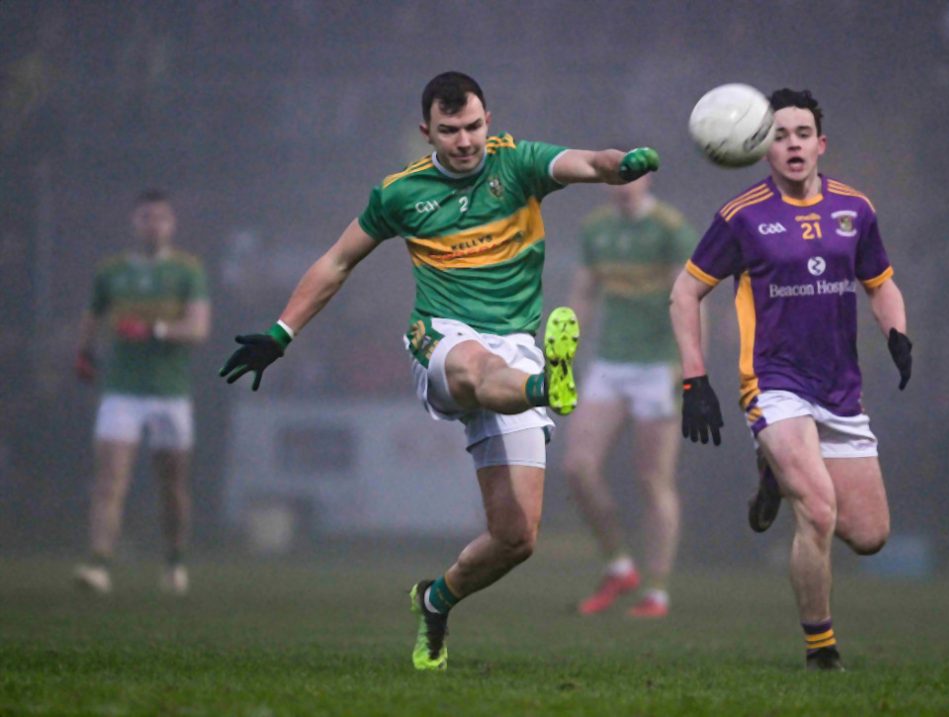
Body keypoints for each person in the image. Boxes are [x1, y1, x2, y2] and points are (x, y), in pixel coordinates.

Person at [218, 71, 660, 671]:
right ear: (427, 131)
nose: (465, 141)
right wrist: (281, 332)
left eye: (474, 126)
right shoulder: (402, 194)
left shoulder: (519, 164)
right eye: (449, 130)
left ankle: (434, 599)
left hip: (517, 346)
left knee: (516, 538)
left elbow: (586, 163)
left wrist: (620, 165)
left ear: (488, 121)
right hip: (442, 340)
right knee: (478, 369)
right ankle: (545, 387)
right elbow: (337, 261)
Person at [669, 88, 912, 670]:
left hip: (840, 391)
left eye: (803, 133)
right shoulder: (742, 215)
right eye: (779, 135)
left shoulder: (855, 208)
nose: (793, 144)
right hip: (774, 384)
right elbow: (686, 291)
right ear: (762, 148)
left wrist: (897, 333)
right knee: (820, 512)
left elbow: (879, 282)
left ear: (821, 144)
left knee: (869, 534)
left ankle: (774, 473)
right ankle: (821, 649)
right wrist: (694, 379)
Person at [562, 174, 697, 618]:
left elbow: (690, 299)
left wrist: (693, 369)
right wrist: (562, 352)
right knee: (577, 467)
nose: (623, 184)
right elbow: (583, 294)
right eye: (615, 176)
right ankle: (619, 565)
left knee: (652, 479)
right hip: (609, 363)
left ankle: (656, 590)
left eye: (632, 176)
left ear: (649, 178)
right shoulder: (596, 229)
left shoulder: (670, 228)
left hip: (658, 366)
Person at [73, 189, 212, 596]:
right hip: (122, 390)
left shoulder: (188, 270)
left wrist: (154, 330)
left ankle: (174, 561)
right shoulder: (111, 271)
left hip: (171, 391)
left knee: (172, 483)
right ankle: (99, 563)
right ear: (134, 223)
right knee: (110, 478)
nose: (153, 225)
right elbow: (92, 315)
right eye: (146, 217)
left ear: (172, 224)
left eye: (161, 218)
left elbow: (199, 329)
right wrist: (84, 352)